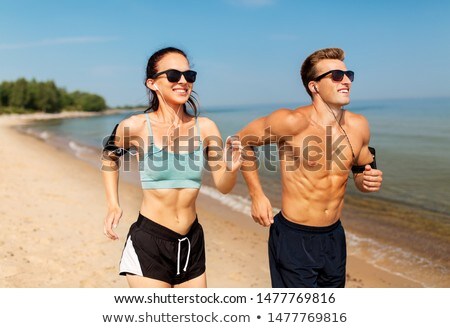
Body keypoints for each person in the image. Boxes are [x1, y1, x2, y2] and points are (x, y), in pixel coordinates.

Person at [237, 48, 383, 288]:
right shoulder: (291, 122)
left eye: (349, 75)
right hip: (294, 237)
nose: (346, 81)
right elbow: (240, 142)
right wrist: (257, 195)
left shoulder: (359, 125)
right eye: (336, 76)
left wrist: (366, 181)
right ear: (314, 86)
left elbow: (361, 168)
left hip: (334, 237)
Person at [101, 47, 241, 288]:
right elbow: (109, 157)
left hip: (191, 242)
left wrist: (233, 166)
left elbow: (224, 186)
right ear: (152, 83)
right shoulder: (136, 126)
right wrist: (113, 204)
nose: (184, 81)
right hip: (150, 242)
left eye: (190, 75)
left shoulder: (206, 127)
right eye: (174, 75)